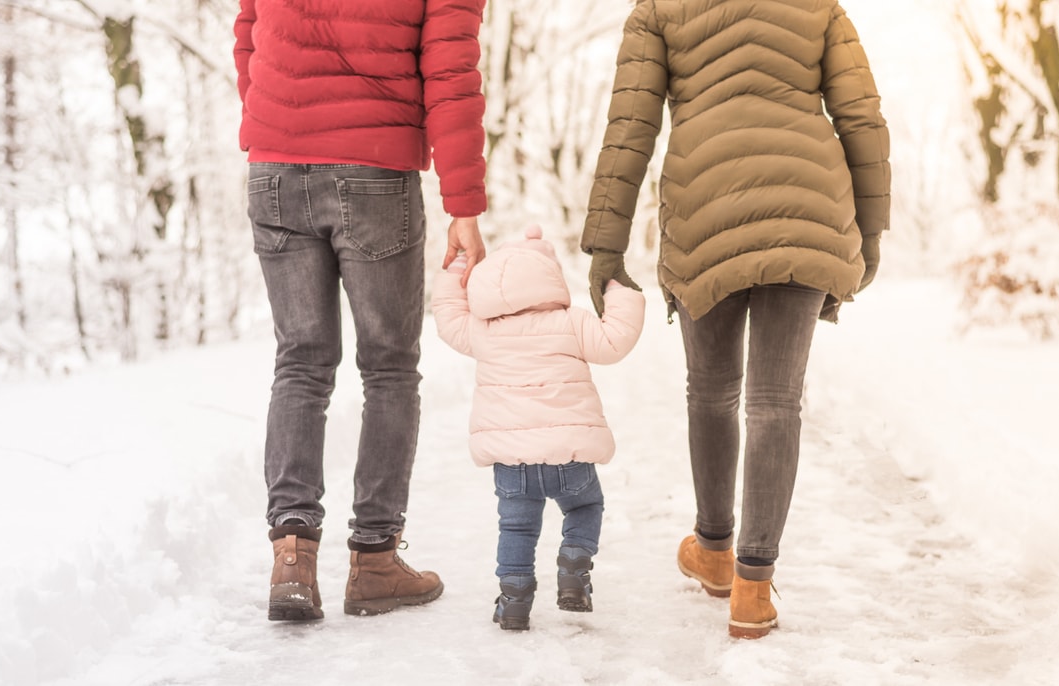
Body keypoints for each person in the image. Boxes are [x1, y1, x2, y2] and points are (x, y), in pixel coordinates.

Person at [581, 0, 890, 638]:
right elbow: (860, 115)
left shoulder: (658, 9)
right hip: (808, 206)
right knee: (776, 402)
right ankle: (753, 588)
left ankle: (715, 551)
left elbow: (631, 126)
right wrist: (870, 230)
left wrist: (606, 247)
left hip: (704, 209)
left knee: (711, 389)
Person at [233, 0, 489, 621]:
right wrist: (464, 204)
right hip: (374, 167)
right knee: (390, 369)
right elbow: (450, 71)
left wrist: (277, 122)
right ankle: (375, 562)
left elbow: (248, 35)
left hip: (275, 164)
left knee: (301, 362)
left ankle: (291, 560)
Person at [431, 226, 645, 631]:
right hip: (570, 458)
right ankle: (574, 565)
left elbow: (447, 315)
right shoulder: (571, 322)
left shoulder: (483, 330)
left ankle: (513, 601)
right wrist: (619, 290)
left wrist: (456, 267)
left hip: (513, 465)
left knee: (516, 527)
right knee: (585, 506)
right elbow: (615, 340)